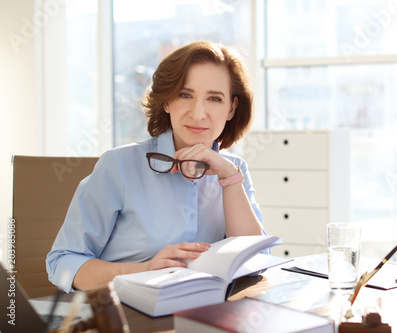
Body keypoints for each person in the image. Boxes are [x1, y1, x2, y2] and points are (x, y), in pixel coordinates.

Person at [46, 41, 265, 292]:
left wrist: (229, 178)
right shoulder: (119, 165)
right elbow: (62, 263)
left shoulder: (234, 169)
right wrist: (147, 269)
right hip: (125, 315)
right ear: (166, 101)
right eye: (185, 95)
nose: (198, 113)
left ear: (231, 109)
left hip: (203, 314)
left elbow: (255, 261)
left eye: (214, 98)